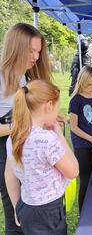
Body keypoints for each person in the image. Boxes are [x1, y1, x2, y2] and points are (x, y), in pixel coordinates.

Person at [5, 79, 79, 235]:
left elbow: (9, 174)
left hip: (26, 207)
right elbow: (73, 171)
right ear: (49, 106)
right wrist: (60, 135)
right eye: (56, 108)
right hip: (48, 212)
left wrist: (17, 206)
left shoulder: (13, 137)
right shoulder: (48, 140)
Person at [0, 23, 53, 235]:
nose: (35, 57)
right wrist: (20, 125)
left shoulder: (27, 77)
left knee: (33, 209)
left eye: (38, 51)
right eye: (30, 51)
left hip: (27, 151)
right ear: (16, 47)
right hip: (6, 154)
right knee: (16, 213)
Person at [69, 65, 92, 212]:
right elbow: (74, 127)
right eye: (88, 84)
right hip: (82, 146)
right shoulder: (76, 101)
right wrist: (91, 139)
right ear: (81, 82)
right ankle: (83, 211)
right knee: (85, 180)